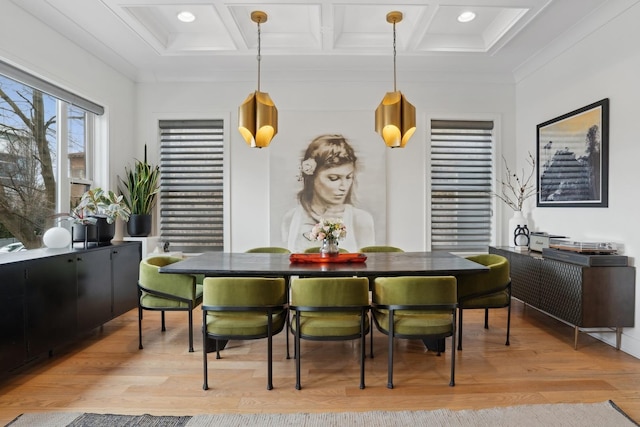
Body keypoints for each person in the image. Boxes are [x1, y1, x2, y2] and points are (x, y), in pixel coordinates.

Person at [281, 134, 375, 252]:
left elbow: (368, 265)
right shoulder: (291, 218)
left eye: (348, 177)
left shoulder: (361, 220)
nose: (344, 187)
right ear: (312, 177)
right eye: (334, 178)